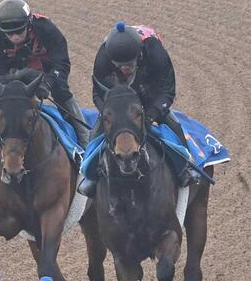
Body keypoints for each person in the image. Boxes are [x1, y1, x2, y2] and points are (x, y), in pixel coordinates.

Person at [78, 21, 200, 197]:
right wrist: (111, 113)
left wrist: (151, 115)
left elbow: (167, 91)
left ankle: (186, 167)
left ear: (139, 54)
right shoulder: (103, 58)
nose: (126, 69)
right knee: (96, 131)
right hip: (119, 98)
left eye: (129, 64)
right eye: (121, 66)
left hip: (148, 90)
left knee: (173, 124)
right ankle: (89, 176)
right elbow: (98, 94)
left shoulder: (155, 52)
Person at [0, 0, 89, 185]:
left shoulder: (46, 29)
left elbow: (62, 62)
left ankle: (85, 147)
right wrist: (17, 82)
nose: (15, 37)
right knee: (7, 106)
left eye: (19, 32)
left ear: (29, 24)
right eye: (10, 34)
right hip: (14, 76)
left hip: (47, 71)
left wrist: (47, 84)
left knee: (63, 94)